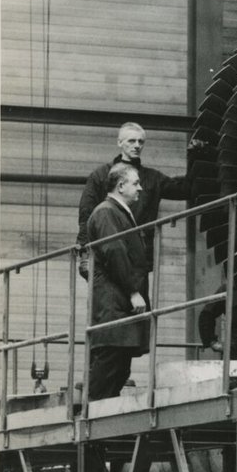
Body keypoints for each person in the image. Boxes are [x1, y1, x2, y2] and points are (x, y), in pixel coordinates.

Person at [77, 122, 201, 277]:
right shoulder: (101, 176)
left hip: (139, 258)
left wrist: (195, 156)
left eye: (140, 142)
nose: (137, 146)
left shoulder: (152, 178)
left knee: (139, 300)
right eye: (131, 141)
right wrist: (85, 252)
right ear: (119, 142)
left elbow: (186, 190)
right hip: (107, 256)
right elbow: (86, 214)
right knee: (111, 299)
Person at [84, 162, 151, 400]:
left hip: (119, 306)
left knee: (119, 368)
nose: (140, 188)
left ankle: (97, 428)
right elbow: (114, 252)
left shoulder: (116, 212)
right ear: (121, 186)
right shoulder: (106, 212)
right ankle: (88, 426)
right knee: (109, 365)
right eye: (136, 183)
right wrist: (133, 291)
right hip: (114, 305)